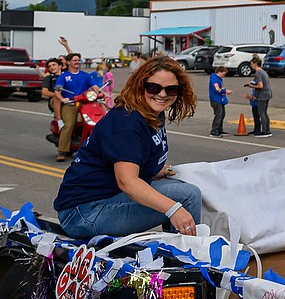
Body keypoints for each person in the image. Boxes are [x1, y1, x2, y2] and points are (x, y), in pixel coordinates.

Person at [53, 56, 201, 239]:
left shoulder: (151, 113)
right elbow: (127, 182)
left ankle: (179, 249)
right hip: (83, 213)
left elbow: (128, 162)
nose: (162, 94)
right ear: (140, 85)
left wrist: (153, 171)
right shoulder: (128, 124)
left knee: (183, 188)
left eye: (171, 89)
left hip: (103, 200)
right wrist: (175, 210)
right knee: (186, 197)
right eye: (153, 87)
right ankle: (189, 259)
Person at [54, 53, 103, 162]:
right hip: (71, 104)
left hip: (85, 103)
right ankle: (62, 151)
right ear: (68, 62)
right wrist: (63, 99)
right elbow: (57, 91)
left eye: (78, 60)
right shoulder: (64, 76)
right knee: (69, 124)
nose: (77, 62)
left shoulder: (85, 75)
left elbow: (94, 86)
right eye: (75, 60)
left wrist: (100, 92)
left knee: (97, 121)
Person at [245, 55, 272, 137]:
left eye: (251, 64)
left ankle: (264, 131)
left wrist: (252, 86)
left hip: (262, 95)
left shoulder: (258, 73)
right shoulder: (263, 72)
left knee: (261, 113)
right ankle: (267, 130)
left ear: (255, 64)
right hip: (268, 94)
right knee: (264, 112)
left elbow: (260, 86)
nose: (251, 66)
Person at [209, 67, 231, 137]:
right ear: (219, 72)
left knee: (222, 115)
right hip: (216, 100)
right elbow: (217, 89)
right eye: (223, 74)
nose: (223, 76)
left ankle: (220, 130)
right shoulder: (214, 79)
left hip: (220, 99)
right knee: (218, 115)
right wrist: (225, 91)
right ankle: (214, 131)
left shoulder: (219, 79)